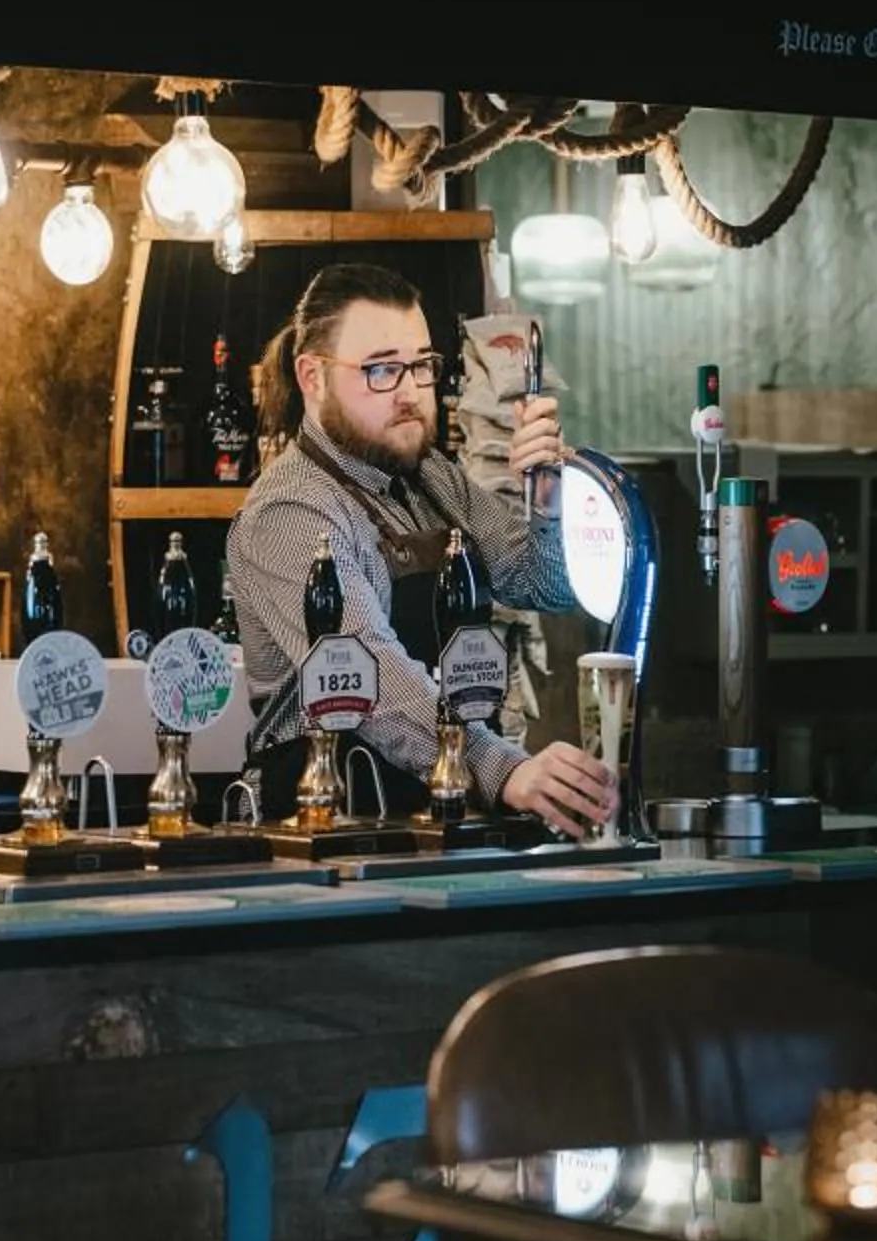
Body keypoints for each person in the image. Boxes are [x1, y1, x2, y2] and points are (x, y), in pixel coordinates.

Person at [228, 261, 617, 836]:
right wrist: (503, 769)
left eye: (420, 367)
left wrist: (550, 501)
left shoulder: (434, 479)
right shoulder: (289, 512)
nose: (410, 393)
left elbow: (546, 586)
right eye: (382, 370)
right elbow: (369, 676)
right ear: (312, 377)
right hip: (329, 817)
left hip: (441, 802)